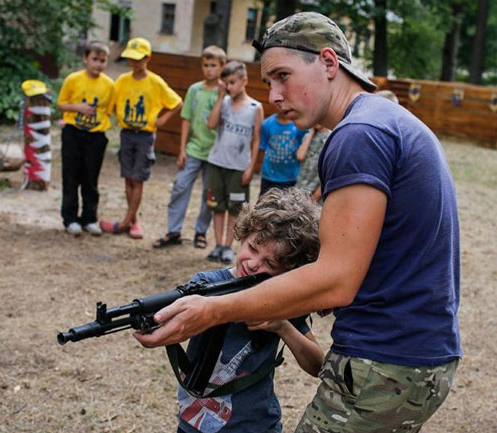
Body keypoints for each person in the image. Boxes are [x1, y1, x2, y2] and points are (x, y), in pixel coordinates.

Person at [136, 12, 461, 433]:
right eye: (268, 81)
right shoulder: (385, 122)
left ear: (328, 62)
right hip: (417, 357)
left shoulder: (359, 134)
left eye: (283, 76)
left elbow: (336, 281)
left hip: (384, 361)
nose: (273, 94)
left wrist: (213, 309)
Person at [136, 188, 325, 433]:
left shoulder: (282, 298)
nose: (254, 264)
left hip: (256, 426)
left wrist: (282, 327)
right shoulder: (206, 284)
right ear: (244, 234)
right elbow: (167, 322)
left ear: (290, 270)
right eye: (252, 249)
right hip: (195, 422)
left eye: (270, 263)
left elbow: (317, 365)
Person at [101, 37, 182, 239]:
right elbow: (111, 106)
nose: (134, 63)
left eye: (138, 59)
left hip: (145, 136)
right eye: (131, 59)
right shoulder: (122, 81)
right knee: (128, 177)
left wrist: (162, 120)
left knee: (138, 179)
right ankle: (133, 221)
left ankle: (126, 222)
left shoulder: (155, 82)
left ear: (148, 58)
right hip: (126, 134)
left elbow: (177, 103)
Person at [154, 46, 227, 250]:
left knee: (209, 194)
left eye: (213, 65)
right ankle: (173, 231)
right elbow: (186, 119)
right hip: (194, 148)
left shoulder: (225, 92)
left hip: (215, 153)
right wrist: (182, 149)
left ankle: (201, 231)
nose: (209, 69)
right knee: (180, 186)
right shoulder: (194, 90)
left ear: (222, 66)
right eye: (205, 65)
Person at [204, 60, 264, 264]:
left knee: (235, 209)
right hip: (217, 163)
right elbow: (211, 124)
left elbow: (256, 139)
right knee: (216, 205)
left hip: (239, 168)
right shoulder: (223, 103)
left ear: (244, 81)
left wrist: (251, 167)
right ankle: (218, 245)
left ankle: (228, 247)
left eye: (232, 82)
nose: (228, 87)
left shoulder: (255, 108)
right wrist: (220, 97)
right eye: (226, 83)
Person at [56, 40, 115, 237]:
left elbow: (110, 110)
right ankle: (70, 218)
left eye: (102, 61)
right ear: (85, 58)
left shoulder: (109, 85)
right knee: (71, 177)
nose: (98, 64)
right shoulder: (73, 79)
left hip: (96, 136)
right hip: (73, 133)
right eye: (94, 59)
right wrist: (78, 108)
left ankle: (89, 218)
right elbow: (61, 104)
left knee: (91, 179)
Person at [257, 111, 307, 195]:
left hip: (290, 177)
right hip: (269, 176)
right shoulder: (267, 124)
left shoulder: (299, 126)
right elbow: (262, 149)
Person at [294, 124, 330, 203]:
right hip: (301, 187)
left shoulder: (330, 139)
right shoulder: (308, 136)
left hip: (315, 192)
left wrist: (315, 197)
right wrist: (311, 133)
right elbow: (300, 156)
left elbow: (329, 174)